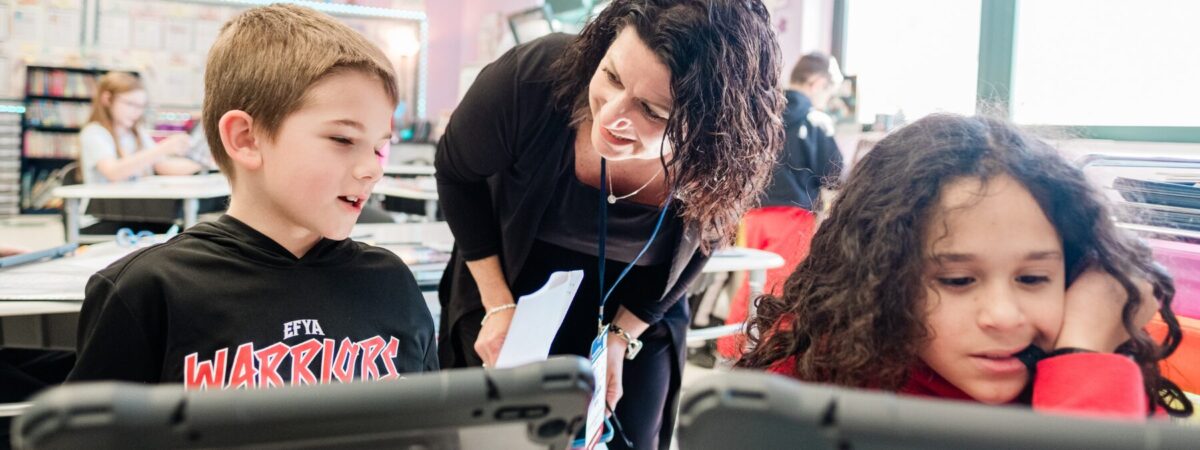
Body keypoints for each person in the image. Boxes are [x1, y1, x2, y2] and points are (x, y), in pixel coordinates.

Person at [434, 1, 784, 448]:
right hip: (510, 283)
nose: (612, 116)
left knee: (630, 435)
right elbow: (456, 173)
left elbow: (698, 251)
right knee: (500, 437)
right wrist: (498, 304)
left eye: (653, 112)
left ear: (711, 132)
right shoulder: (534, 80)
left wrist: (622, 335)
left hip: (638, 301)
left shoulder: (722, 161)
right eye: (612, 77)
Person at [68, 4, 437, 387]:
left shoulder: (391, 283)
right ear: (246, 139)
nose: (373, 169)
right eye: (343, 139)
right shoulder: (147, 292)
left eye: (379, 147)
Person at [736, 114, 1193, 418]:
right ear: (879, 281)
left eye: (1033, 279)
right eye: (957, 280)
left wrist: (1085, 358)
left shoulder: (1102, 368)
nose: (1003, 316)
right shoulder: (816, 391)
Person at [718, 51, 845, 358]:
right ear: (816, 83)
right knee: (782, 288)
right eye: (828, 91)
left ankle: (729, 352)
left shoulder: (766, 109)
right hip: (790, 214)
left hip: (754, 212)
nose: (827, 99)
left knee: (751, 283)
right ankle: (770, 356)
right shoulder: (817, 120)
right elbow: (834, 173)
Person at [79, 72, 201, 185]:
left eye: (141, 106)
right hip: (103, 206)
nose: (137, 112)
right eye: (130, 104)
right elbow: (113, 172)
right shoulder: (94, 132)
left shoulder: (136, 132)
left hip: (133, 204)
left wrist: (203, 164)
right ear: (107, 99)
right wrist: (163, 148)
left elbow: (162, 166)